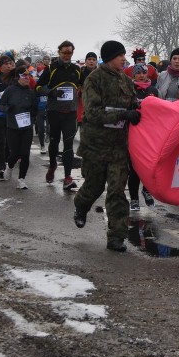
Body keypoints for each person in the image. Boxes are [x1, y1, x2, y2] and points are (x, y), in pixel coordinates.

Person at [73, 40, 141, 252]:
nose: (124, 59)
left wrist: (139, 111)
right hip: (95, 145)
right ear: (110, 57)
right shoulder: (94, 80)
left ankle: (116, 236)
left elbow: (135, 105)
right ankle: (81, 206)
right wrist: (122, 113)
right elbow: (92, 113)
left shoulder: (126, 81)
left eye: (124, 55)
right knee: (94, 186)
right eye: (120, 55)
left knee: (117, 192)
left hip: (119, 147)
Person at [37, 40, 83, 190]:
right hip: (54, 112)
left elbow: (82, 86)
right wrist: (51, 92)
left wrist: (80, 93)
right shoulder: (51, 69)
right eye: (64, 52)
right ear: (59, 53)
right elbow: (38, 87)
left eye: (69, 53)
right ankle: (52, 165)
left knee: (68, 143)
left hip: (70, 113)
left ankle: (68, 177)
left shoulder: (76, 69)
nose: (67, 55)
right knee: (54, 142)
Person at [0, 65, 38, 189]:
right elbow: (0, 105)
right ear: (18, 77)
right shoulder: (10, 90)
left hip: (26, 127)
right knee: (14, 153)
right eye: (24, 75)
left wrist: (33, 111)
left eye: (29, 75)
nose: (27, 78)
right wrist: (7, 109)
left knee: (25, 153)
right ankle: (9, 167)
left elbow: (35, 109)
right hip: (13, 127)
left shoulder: (30, 92)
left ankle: (21, 179)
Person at [127, 63, 158, 210]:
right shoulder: (129, 90)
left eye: (144, 73)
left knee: (149, 166)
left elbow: (161, 109)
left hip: (150, 135)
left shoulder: (153, 90)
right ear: (133, 75)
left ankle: (147, 191)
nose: (141, 75)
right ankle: (134, 199)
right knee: (134, 169)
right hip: (133, 133)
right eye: (138, 73)